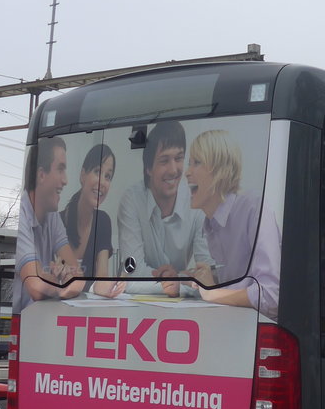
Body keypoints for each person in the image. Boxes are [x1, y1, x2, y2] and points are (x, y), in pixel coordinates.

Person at [184, 129, 280, 319]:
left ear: (219, 170)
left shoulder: (253, 208)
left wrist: (213, 293)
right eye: (189, 163)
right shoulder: (210, 223)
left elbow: (270, 296)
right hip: (233, 325)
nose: (187, 173)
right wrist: (202, 281)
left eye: (197, 162)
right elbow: (236, 283)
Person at [116, 120, 211, 297]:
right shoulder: (132, 200)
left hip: (180, 306)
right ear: (148, 168)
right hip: (136, 304)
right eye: (164, 161)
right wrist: (179, 281)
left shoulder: (196, 202)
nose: (173, 170)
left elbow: (207, 276)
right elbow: (132, 273)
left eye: (179, 158)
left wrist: (178, 280)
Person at [13, 137, 84, 313]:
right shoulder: (21, 215)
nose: (65, 180)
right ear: (41, 175)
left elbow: (78, 276)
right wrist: (62, 283)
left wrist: (56, 280)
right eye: (60, 169)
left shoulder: (52, 215)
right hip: (20, 322)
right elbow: (36, 288)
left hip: (41, 318)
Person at [60, 143, 125, 300]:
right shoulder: (56, 223)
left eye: (108, 176)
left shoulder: (102, 221)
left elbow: (101, 276)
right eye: (97, 172)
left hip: (86, 309)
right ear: (83, 175)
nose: (102, 182)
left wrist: (108, 287)